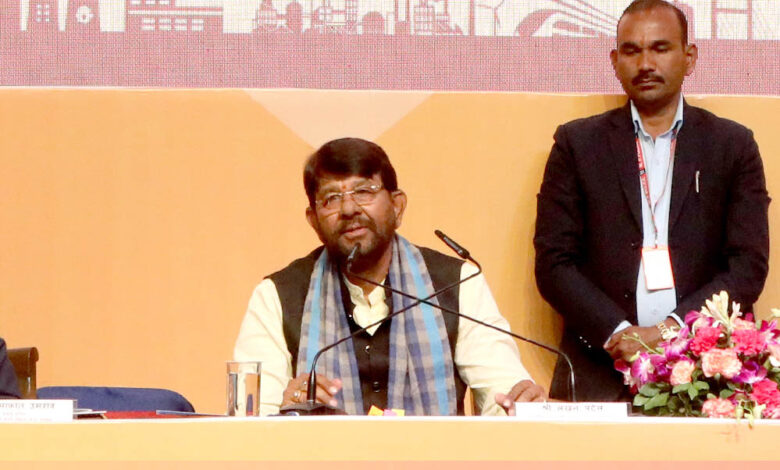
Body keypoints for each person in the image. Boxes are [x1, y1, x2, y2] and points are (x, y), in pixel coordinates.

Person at [534, 0, 770, 401]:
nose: (645, 64)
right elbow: (554, 263)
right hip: (598, 370)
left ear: (689, 57)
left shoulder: (732, 146)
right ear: (615, 61)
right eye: (632, 51)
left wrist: (670, 331)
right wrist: (619, 334)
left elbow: (747, 266)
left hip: (706, 372)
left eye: (661, 48)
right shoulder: (577, 145)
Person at [235, 137, 545, 416]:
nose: (349, 208)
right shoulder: (277, 294)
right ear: (313, 220)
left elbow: (501, 391)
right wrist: (287, 410)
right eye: (331, 198)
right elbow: (250, 421)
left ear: (397, 206)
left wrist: (516, 404)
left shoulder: (456, 282)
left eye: (364, 191)